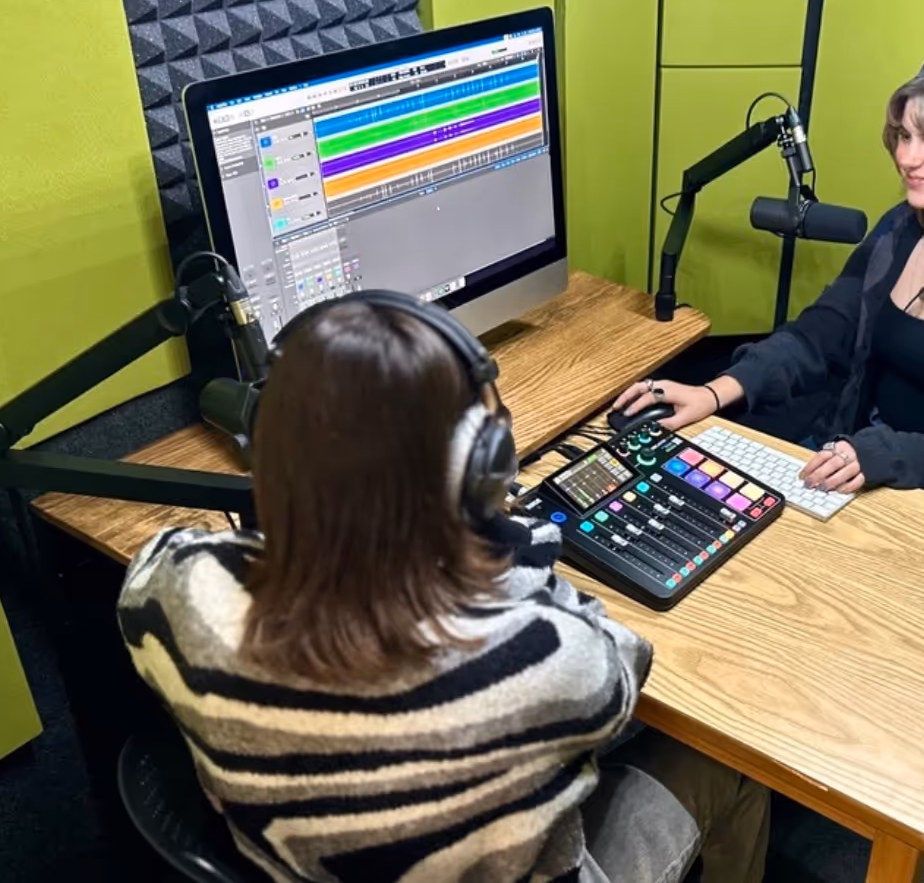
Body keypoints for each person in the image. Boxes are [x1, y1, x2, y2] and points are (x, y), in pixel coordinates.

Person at [117, 296, 769, 883]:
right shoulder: (548, 661)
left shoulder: (176, 593)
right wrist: (506, 542)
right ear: (479, 478)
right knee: (731, 758)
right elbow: (623, 667)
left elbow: (179, 554)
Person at [616, 39, 924, 515]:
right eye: (904, 135)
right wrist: (715, 392)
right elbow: (820, 335)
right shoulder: (903, 228)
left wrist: (879, 454)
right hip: (859, 471)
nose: (908, 158)